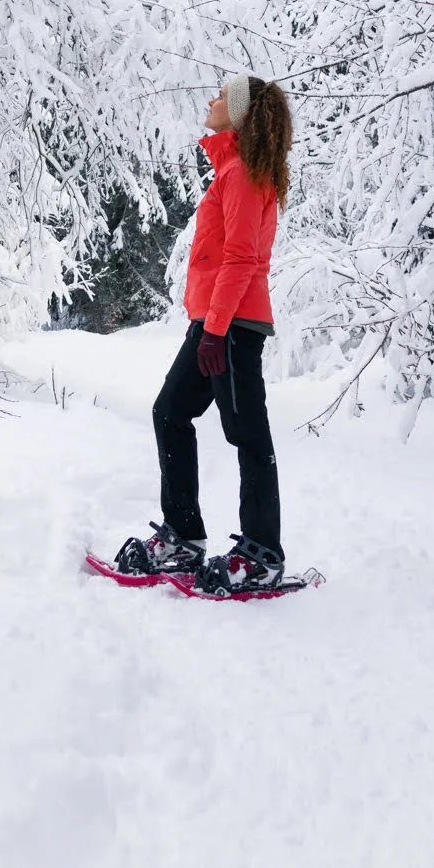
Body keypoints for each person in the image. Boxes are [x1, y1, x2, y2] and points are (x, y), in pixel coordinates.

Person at [114, 72, 293, 594]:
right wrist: (207, 326)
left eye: (221, 95)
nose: (211, 99)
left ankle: (262, 554)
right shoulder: (235, 169)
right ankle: (183, 536)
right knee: (170, 412)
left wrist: (214, 332)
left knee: (247, 434)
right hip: (216, 321)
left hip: (232, 325)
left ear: (238, 114)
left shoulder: (241, 174)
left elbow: (241, 258)